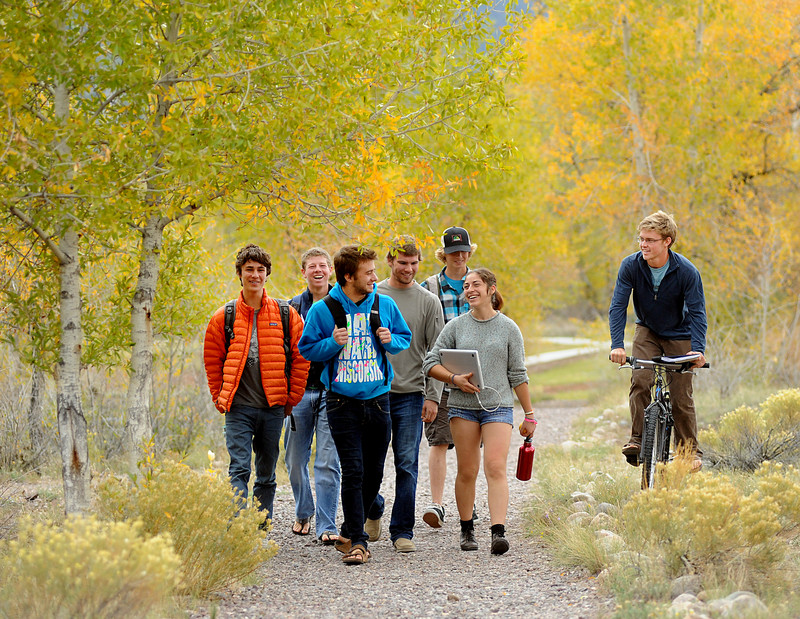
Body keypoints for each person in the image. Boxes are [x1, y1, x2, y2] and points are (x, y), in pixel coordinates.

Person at [299, 244, 412, 565]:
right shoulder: (324, 310)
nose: (376, 277)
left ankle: (349, 527)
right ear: (349, 276)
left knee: (374, 472)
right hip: (340, 402)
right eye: (369, 273)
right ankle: (359, 543)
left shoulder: (384, 304)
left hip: (378, 400)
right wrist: (330, 343)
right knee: (353, 470)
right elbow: (307, 349)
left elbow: (405, 336)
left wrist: (393, 340)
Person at [423, 267, 537, 555]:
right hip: (463, 408)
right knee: (468, 470)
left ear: (491, 289)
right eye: (466, 286)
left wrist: (529, 414)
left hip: (498, 406)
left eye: (475, 285)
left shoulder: (509, 328)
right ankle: (466, 529)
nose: (469, 289)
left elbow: (518, 374)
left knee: (495, 466)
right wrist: (454, 379)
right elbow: (430, 363)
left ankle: (498, 532)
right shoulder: (456, 327)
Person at [203, 244, 310, 525]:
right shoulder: (223, 317)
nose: (255, 275)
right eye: (249, 269)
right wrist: (220, 398)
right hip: (238, 408)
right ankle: (239, 532)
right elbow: (212, 362)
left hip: (272, 408)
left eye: (260, 270)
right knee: (238, 469)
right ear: (240, 274)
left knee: (266, 473)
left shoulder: (285, 314)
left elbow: (302, 357)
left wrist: (292, 398)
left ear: (267, 274)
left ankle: (260, 529)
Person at [608, 210, 707, 471]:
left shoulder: (686, 271)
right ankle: (638, 440)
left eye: (650, 240)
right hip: (647, 331)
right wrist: (616, 344)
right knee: (640, 380)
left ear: (667, 241)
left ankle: (688, 452)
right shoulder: (631, 265)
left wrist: (698, 350)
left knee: (680, 396)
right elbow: (618, 306)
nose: (643, 244)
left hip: (680, 334)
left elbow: (697, 312)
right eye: (641, 239)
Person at [365, 237, 445, 553]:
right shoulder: (373, 295)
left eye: (414, 263)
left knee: (406, 463)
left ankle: (402, 531)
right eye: (402, 263)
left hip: (411, 393)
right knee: (369, 462)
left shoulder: (428, 302)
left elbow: (437, 353)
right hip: (373, 391)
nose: (408, 269)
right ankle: (373, 509)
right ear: (390, 262)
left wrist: (433, 396)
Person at [419, 226, 476, 529]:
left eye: (464, 251)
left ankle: (469, 502)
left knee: (470, 442)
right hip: (440, 373)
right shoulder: (428, 286)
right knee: (439, 440)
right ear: (444, 254)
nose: (459, 256)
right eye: (453, 252)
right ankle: (437, 504)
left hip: (473, 372)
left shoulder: (478, 283)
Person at [283, 248, 340, 543]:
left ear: (330, 270)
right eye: (311, 266)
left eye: (322, 265)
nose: (317, 270)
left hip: (333, 392)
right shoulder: (291, 308)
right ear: (303, 272)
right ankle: (304, 509)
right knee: (294, 459)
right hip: (299, 392)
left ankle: (327, 525)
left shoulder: (343, 304)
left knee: (328, 461)